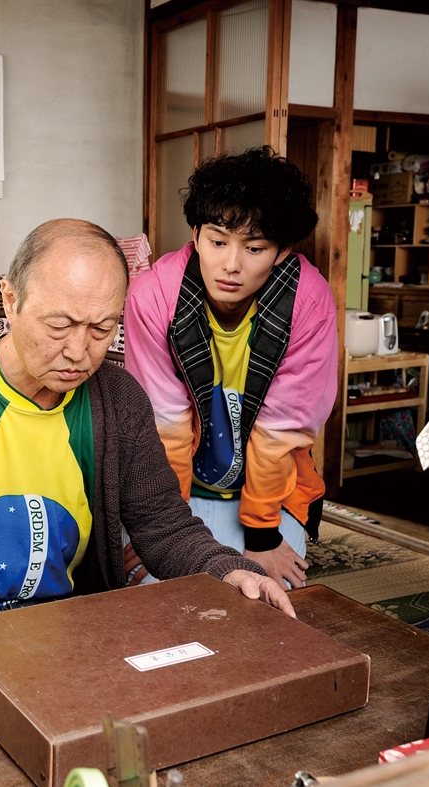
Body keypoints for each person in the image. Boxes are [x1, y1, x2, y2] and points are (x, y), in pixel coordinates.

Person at [0, 218, 293, 695]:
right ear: (11, 300)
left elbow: (163, 524)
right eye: (59, 325)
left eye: (102, 328)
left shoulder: (120, 399)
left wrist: (227, 567)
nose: (79, 351)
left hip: (77, 634)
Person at [124, 146, 337, 590]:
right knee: (158, 595)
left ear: (282, 251)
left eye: (254, 248)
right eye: (217, 242)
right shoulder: (154, 296)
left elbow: (283, 431)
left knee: (265, 600)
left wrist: (262, 536)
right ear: (196, 235)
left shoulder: (308, 303)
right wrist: (162, 531)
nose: (231, 265)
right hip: (174, 492)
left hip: (272, 495)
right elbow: (164, 426)